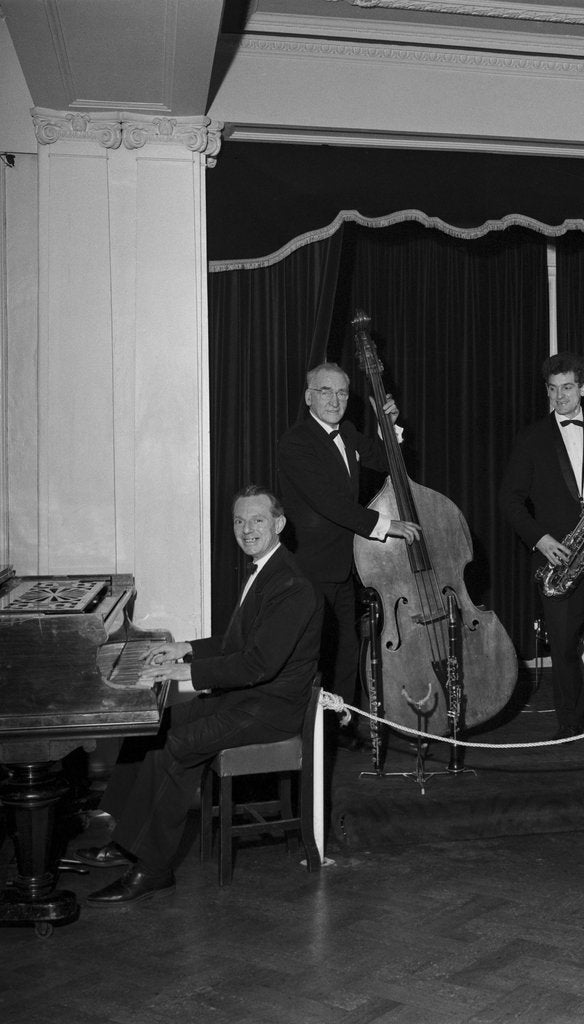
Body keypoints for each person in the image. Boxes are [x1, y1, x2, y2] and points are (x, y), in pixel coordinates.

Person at [78, 485, 324, 906]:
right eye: (239, 521)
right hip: (247, 698)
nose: (247, 529)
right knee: (153, 725)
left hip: (271, 709)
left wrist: (185, 672)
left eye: (257, 520)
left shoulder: (292, 585)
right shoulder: (267, 570)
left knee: (179, 744)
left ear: (279, 524)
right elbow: (239, 644)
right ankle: (125, 840)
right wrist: (185, 648)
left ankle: (154, 868)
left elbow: (257, 664)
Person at [499, 352, 584, 746]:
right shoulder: (531, 438)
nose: (560, 396)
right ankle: (570, 721)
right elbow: (509, 498)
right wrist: (540, 539)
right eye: (553, 389)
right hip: (557, 557)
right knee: (562, 645)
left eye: (568, 388)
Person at [276, 362, 421, 717]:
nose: (334, 400)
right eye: (325, 391)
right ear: (308, 397)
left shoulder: (350, 432)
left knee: (346, 651)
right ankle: (311, 729)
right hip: (310, 568)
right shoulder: (296, 442)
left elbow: (387, 462)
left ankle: (342, 723)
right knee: (314, 655)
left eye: (341, 392)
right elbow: (330, 503)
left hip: (344, 565)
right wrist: (386, 525)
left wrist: (389, 427)